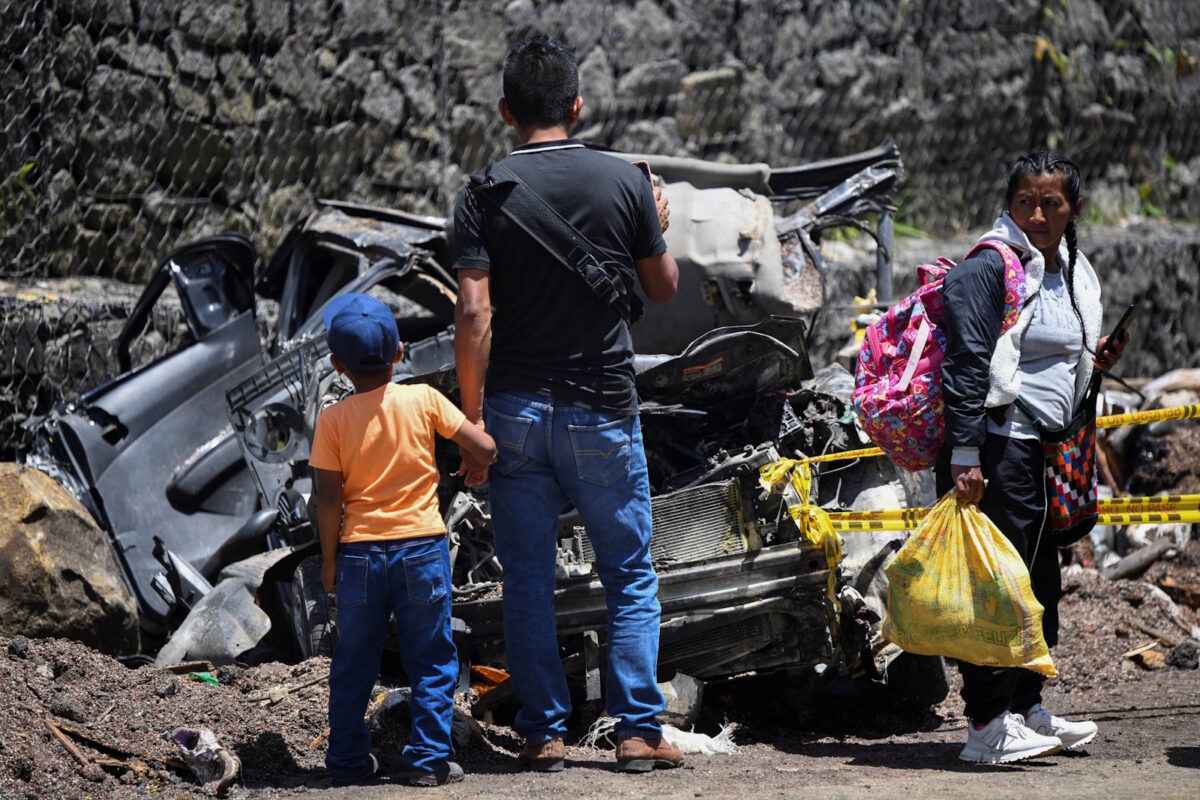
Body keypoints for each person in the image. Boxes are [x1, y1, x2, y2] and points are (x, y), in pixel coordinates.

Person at [451, 34, 682, 774]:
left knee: (527, 579)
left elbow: (473, 315)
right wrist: (657, 224)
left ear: (504, 111)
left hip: (514, 412)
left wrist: (471, 420)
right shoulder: (624, 180)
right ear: (577, 106)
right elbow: (663, 288)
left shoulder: (482, 192)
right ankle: (638, 731)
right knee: (628, 572)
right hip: (602, 410)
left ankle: (543, 732)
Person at [938, 151, 1127, 764]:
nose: (1038, 215)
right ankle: (985, 725)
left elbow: (1059, 352)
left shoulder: (1071, 269)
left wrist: (1097, 355)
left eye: (1052, 203)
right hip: (1000, 449)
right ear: (1009, 204)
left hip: (1052, 451)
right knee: (999, 583)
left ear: (1074, 210)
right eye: (1026, 202)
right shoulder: (991, 267)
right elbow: (967, 364)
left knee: (1040, 581)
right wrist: (966, 454)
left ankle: (1025, 709)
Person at [309, 292, 498, 787]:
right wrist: (477, 459)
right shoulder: (423, 399)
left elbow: (327, 500)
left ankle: (347, 761)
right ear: (399, 352)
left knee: (354, 662)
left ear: (337, 366)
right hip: (421, 550)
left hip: (359, 556)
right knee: (432, 659)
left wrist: (329, 562)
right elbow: (484, 446)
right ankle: (427, 760)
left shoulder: (332, 422)